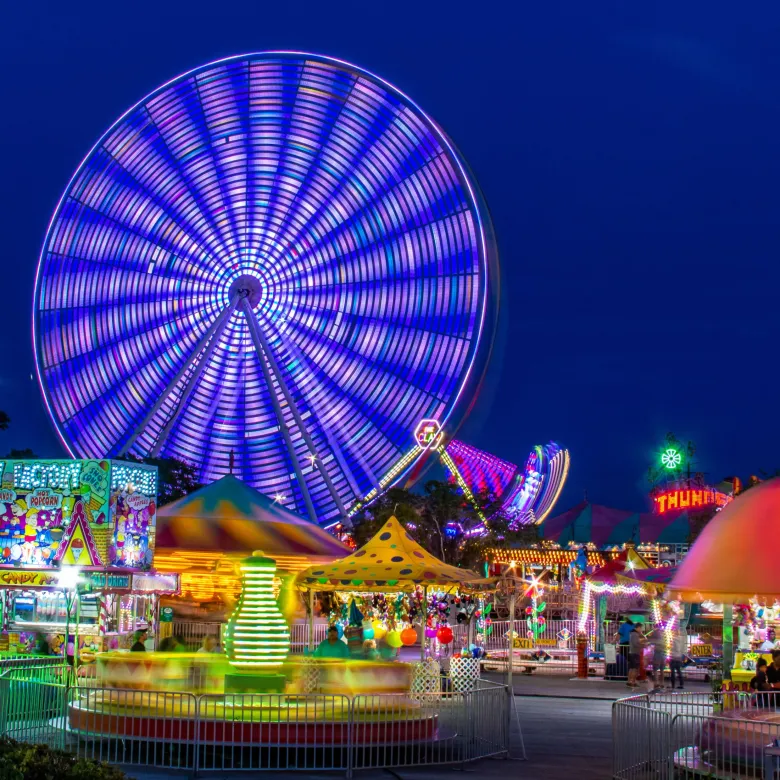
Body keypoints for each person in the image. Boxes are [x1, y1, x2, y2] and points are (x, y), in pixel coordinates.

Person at [648, 625, 666, 691]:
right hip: (664, 653)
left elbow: (650, 640)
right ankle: (662, 683)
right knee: (662, 669)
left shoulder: (656, 632)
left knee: (655, 669)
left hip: (658, 652)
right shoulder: (664, 633)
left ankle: (656, 683)